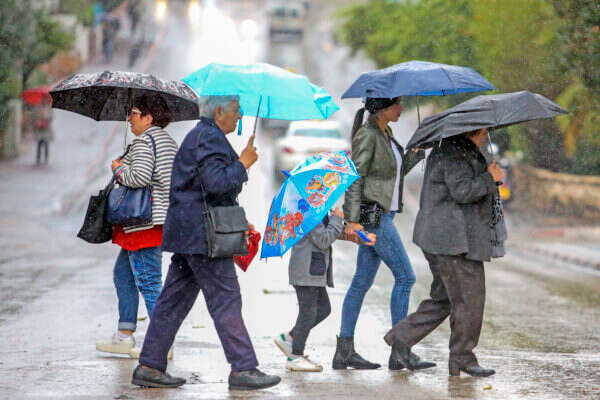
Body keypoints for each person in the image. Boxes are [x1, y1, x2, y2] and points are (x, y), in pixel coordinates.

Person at [131, 95, 281, 391]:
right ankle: (243, 368)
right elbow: (216, 184)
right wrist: (243, 163)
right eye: (236, 110)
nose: (240, 116)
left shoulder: (203, 136)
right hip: (203, 236)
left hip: (191, 232)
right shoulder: (208, 138)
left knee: (173, 302)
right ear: (219, 111)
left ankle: (150, 365)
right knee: (226, 299)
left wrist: (236, 216)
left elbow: (208, 189)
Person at [383, 128, 504, 377]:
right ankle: (462, 357)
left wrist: (488, 176)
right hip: (453, 241)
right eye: (484, 131)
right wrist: (489, 178)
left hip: (444, 238)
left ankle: (401, 339)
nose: (486, 134)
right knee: (469, 299)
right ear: (473, 130)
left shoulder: (454, 148)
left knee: (444, 299)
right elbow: (463, 191)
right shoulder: (455, 153)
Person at [334, 97, 430, 371]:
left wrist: (414, 154)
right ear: (384, 108)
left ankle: (344, 351)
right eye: (397, 104)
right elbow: (355, 177)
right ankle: (400, 350)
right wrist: (353, 220)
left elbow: (390, 176)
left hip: (382, 214)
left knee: (361, 281)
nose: (401, 108)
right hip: (374, 217)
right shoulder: (368, 135)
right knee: (405, 277)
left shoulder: (385, 134)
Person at [96, 95, 177, 358]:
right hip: (154, 220)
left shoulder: (144, 142)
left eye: (133, 113)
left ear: (148, 117)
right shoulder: (166, 141)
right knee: (123, 274)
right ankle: (124, 334)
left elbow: (139, 177)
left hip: (143, 223)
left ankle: (161, 343)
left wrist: (118, 169)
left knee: (150, 283)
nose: (129, 119)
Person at [273, 207, 376, 372]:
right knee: (308, 313)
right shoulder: (306, 211)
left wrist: (360, 237)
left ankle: (290, 338)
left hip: (314, 270)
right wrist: (337, 218)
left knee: (323, 309)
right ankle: (295, 356)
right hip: (305, 271)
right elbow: (323, 239)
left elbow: (332, 231)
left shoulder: (317, 209)